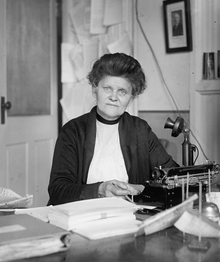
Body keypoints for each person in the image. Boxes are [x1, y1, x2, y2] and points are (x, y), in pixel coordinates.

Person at [48, 53, 179, 205]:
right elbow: (57, 189)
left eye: (122, 92)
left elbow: (172, 176)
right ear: (95, 89)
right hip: (82, 216)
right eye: (107, 89)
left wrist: (144, 189)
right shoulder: (73, 130)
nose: (114, 97)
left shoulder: (140, 129)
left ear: (131, 97)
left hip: (129, 215)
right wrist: (99, 189)